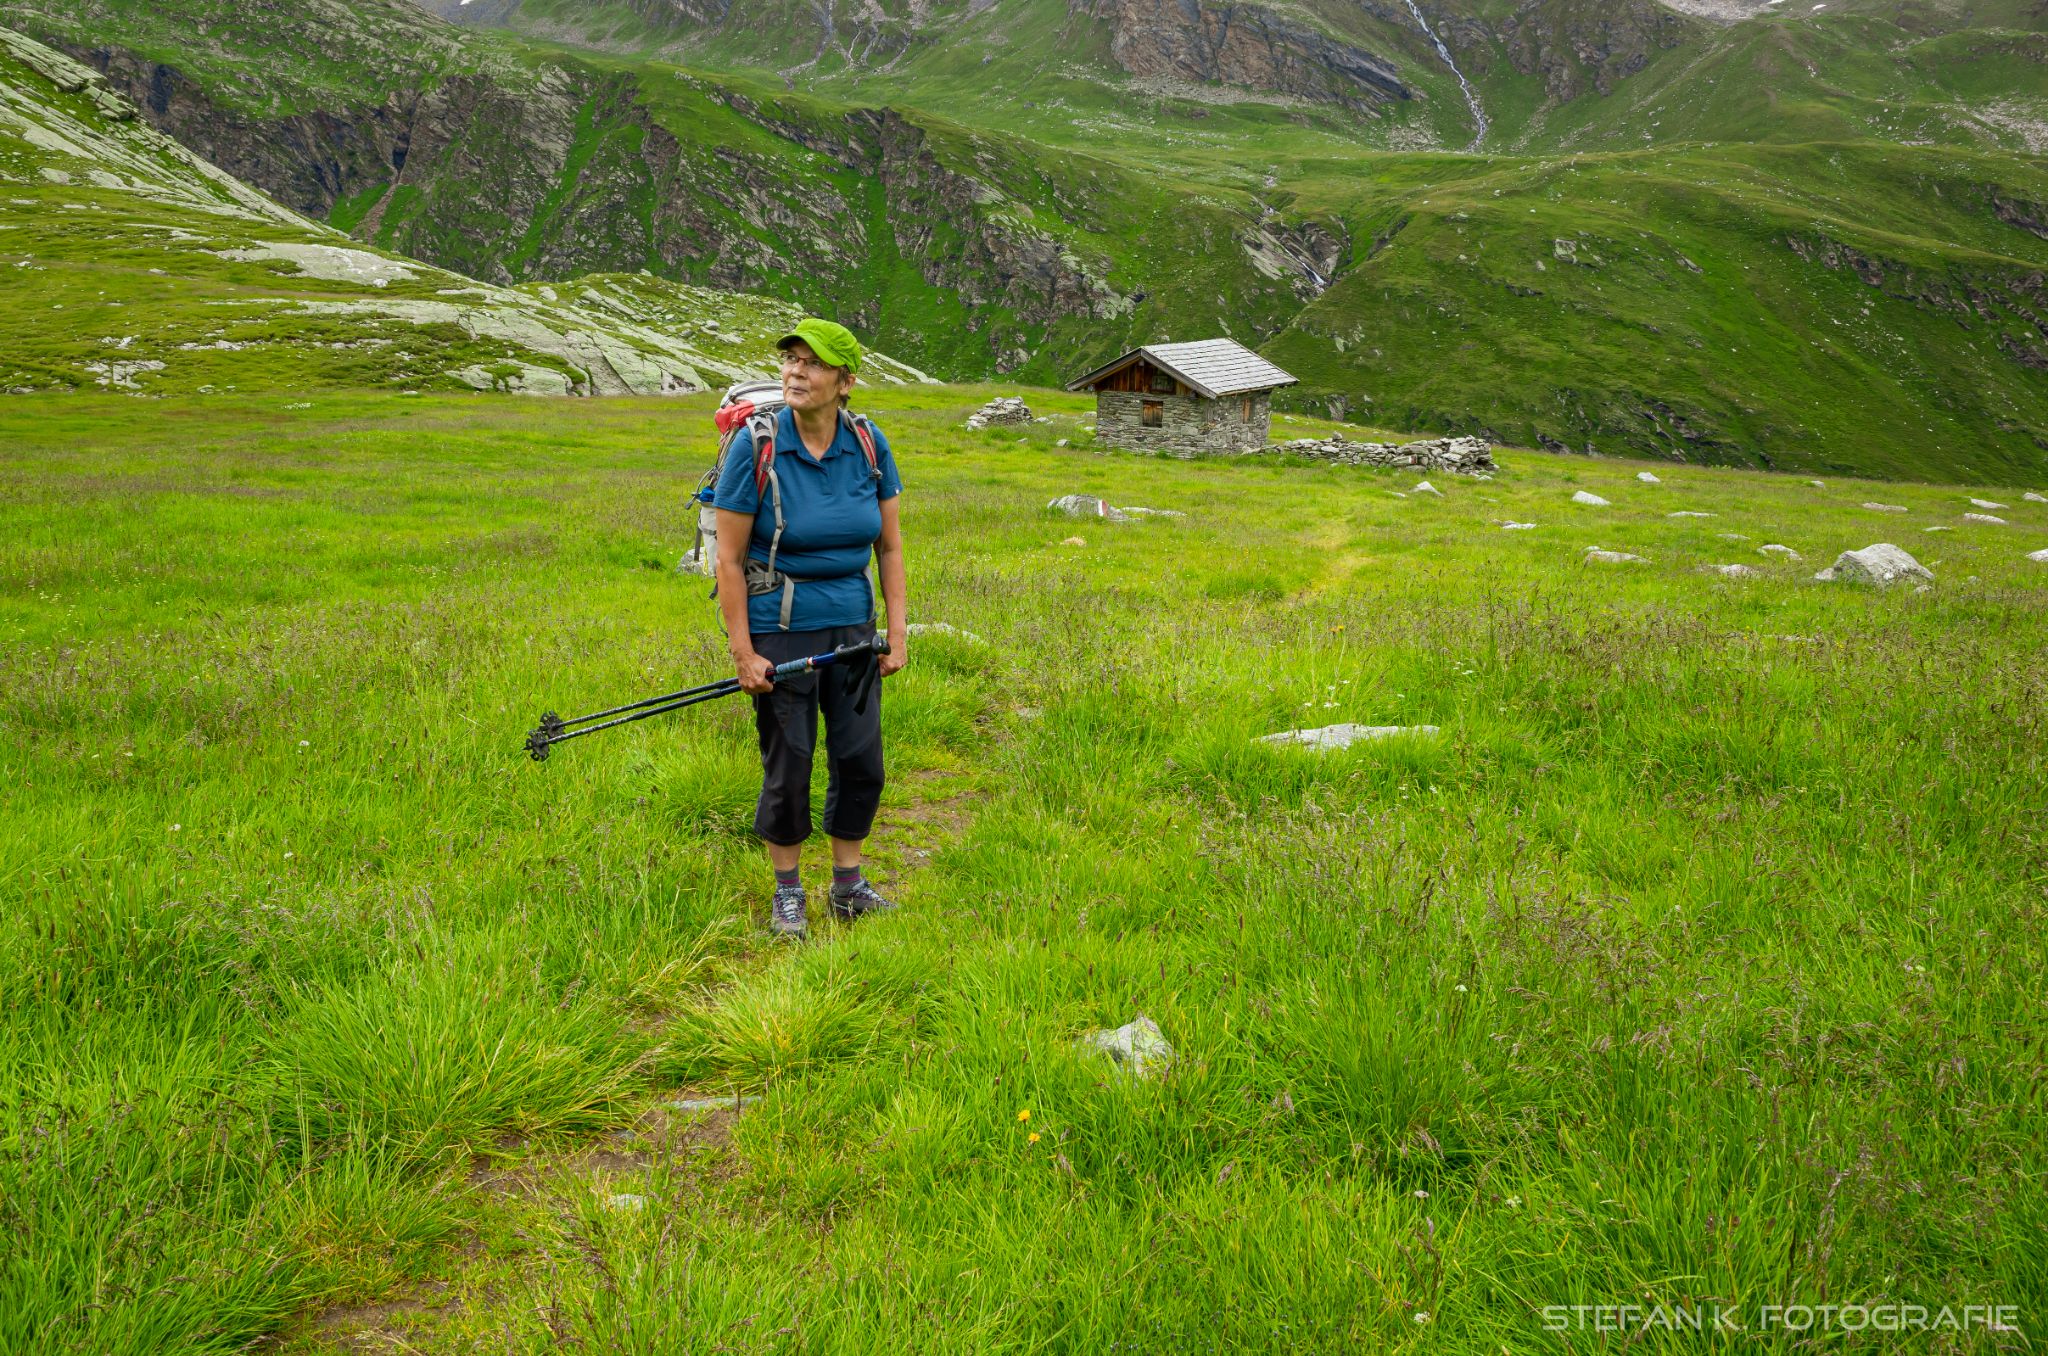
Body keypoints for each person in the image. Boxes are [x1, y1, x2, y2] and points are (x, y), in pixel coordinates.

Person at [712, 317, 907, 939]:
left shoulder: (868, 444)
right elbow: (728, 560)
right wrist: (744, 654)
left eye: (813, 363)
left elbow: (889, 548)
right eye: (791, 359)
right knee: (789, 763)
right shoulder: (756, 447)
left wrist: (897, 632)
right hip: (781, 631)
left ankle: (848, 886)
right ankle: (789, 891)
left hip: (854, 629)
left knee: (860, 758)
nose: (796, 372)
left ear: (844, 382)